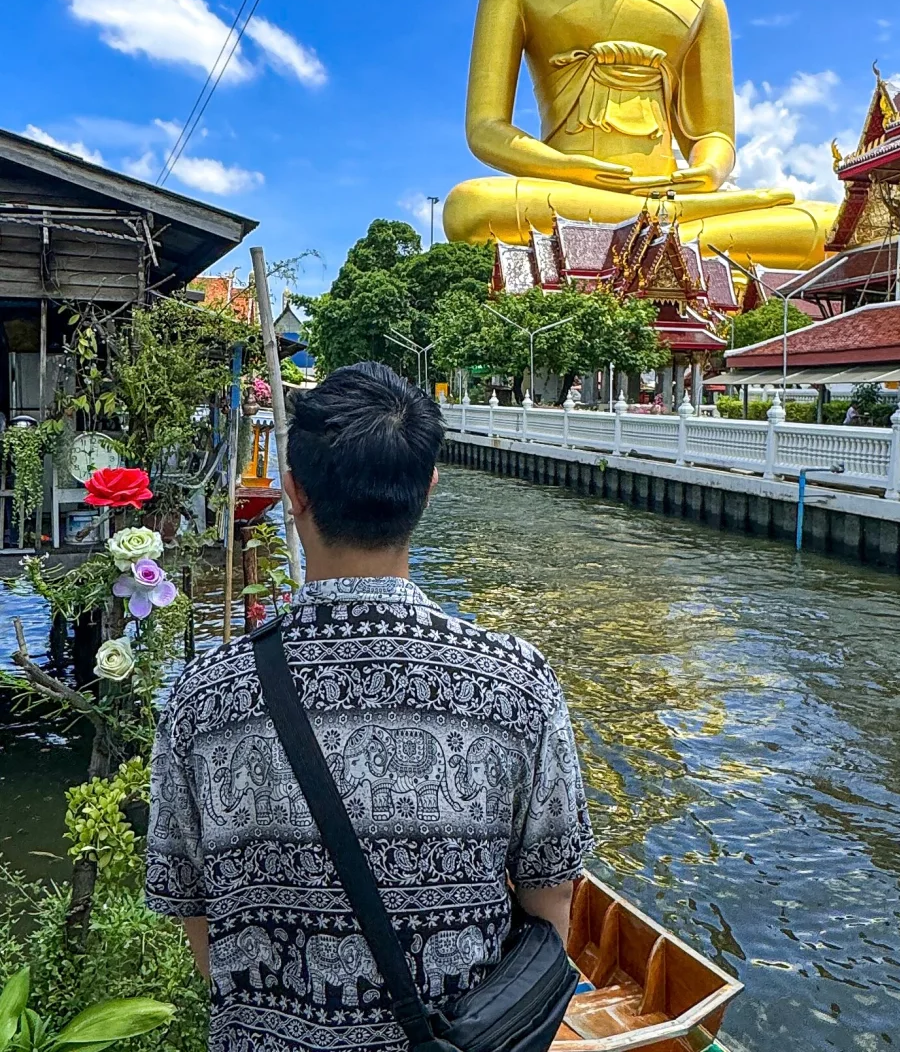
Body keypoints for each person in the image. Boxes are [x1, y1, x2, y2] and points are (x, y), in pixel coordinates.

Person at [146, 361, 594, 1052]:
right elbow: (549, 906)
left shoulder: (204, 696)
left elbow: (194, 916)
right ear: (429, 489)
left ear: (293, 494)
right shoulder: (517, 683)